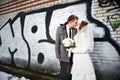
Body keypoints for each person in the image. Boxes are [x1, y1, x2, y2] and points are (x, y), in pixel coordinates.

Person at [55, 15, 78, 80]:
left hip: (73, 55)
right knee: (63, 73)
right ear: (70, 22)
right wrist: (58, 55)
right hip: (63, 56)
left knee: (71, 73)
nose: (76, 24)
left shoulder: (75, 30)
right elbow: (57, 43)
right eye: (75, 22)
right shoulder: (60, 28)